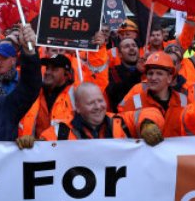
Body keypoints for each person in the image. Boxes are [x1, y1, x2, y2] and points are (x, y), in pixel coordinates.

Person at [37, 83, 165, 146]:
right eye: (91, 103)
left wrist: (148, 124)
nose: (98, 107)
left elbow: (152, 112)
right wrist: (30, 146)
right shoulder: (61, 132)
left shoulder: (120, 122)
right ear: (78, 108)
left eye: (100, 101)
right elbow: (39, 150)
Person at [118, 52, 188, 137]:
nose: (153, 78)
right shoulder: (134, 102)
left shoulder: (183, 101)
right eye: (150, 73)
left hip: (176, 150)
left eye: (159, 73)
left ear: (169, 78)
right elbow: (123, 132)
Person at [34, 54, 75, 138]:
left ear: (66, 74)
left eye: (54, 69)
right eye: (47, 68)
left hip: (64, 148)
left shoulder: (75, 95)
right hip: (37, 149)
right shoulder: (35, 93)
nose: (47, 72)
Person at [106, 38, 142, 112]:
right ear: (119, 54)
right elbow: (116, 94)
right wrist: (137, 72)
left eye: (134, 45)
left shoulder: (148, 71)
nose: (131, 48)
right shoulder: (113, 72)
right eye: (127, 46)